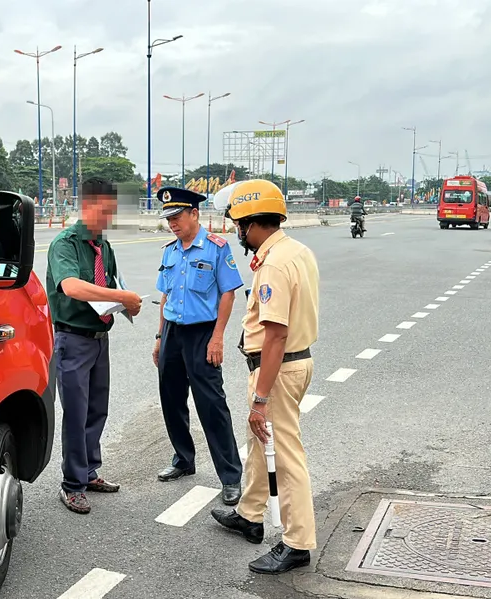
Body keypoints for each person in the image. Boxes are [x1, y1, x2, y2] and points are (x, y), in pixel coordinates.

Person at [210, 179, 319, 575]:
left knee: (285, 455)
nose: (237, 233)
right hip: (292, 363)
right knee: (260, 443)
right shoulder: (295, 250)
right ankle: (250, 514)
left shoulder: (273, 263)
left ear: (252, 223)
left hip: (277, 366)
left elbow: (275, 335)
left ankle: (297, 542)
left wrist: (260, 398)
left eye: (238, 224)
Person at [46, 177, 143, 515]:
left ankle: (88, 472)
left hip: (100, 338)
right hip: (73, 339)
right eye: (105, 211)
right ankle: (72, 485)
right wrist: (120, 297)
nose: (108, 219)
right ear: (87, 205)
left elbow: (112, 283)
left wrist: (126, 303)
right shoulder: (65, 243)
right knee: (76, 412)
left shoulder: (103, 244)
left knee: (96, 409)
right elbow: (72, 286)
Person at [152, 187, 245, 506]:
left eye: (177, 217)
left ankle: (231, 476)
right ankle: (183, 458)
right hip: (172, 333)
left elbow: (228, 293)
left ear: (194, 214)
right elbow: (164, 295)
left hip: (203, 334)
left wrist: (218, 337)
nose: (172, 224)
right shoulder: (170, 250)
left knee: (212, 405)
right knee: (171, 399)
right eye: (168, 219)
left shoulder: (217, 248)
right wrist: (159, 336)